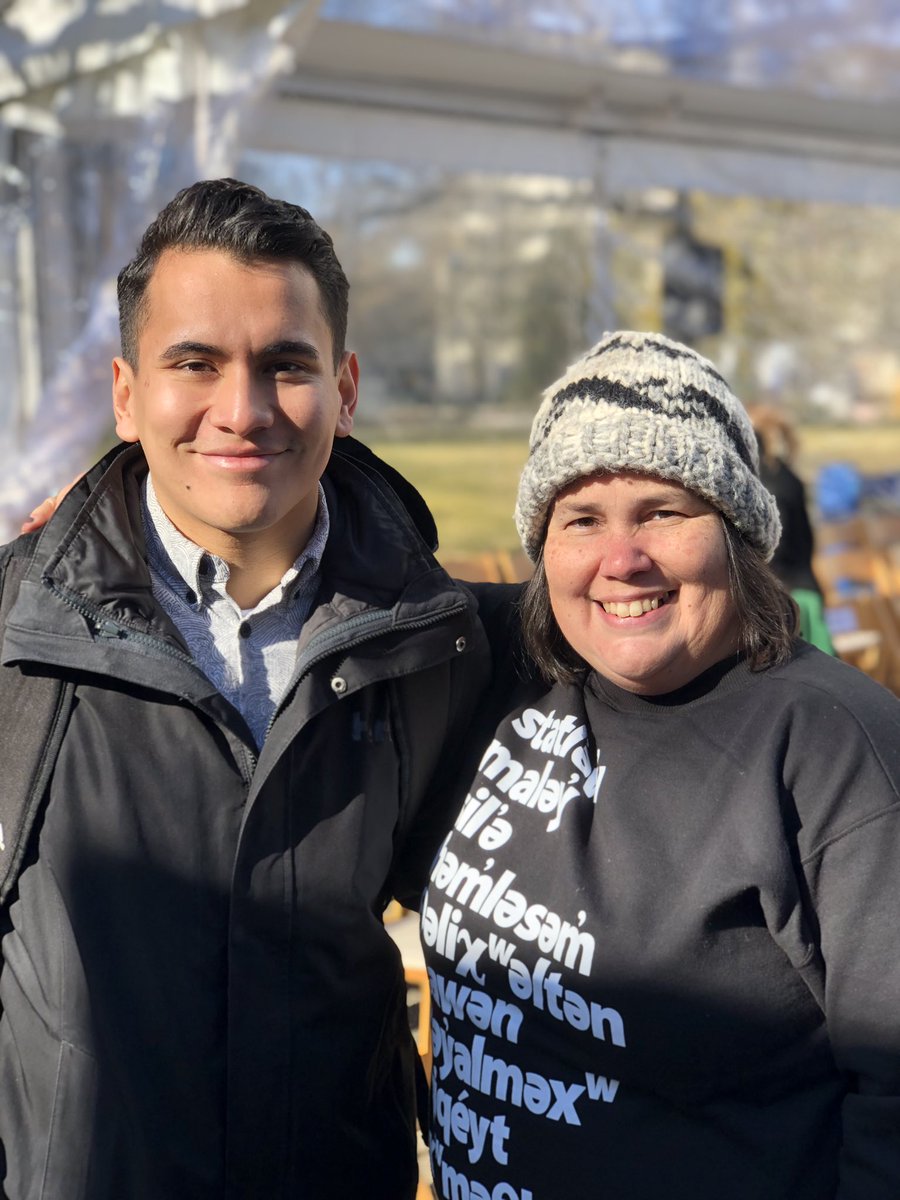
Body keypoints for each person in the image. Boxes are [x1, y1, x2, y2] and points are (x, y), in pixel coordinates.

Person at [0, 178, 495, 1199]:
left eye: (285, 365)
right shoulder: (13, 636)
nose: (243, 409)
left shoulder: (437, 646)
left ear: (346, 389)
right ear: (128, 395)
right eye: (195, 363)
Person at [423, 331, 900, 1200]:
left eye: (663, 511)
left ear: (738, 534)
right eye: (581, 519)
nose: (622, 559)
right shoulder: (504, 679)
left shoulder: (832, 743)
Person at [749, 403, 834, 653]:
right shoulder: (788, 475)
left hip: (790, 597)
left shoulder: (768, 484)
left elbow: (776, 547)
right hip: (805, 588)